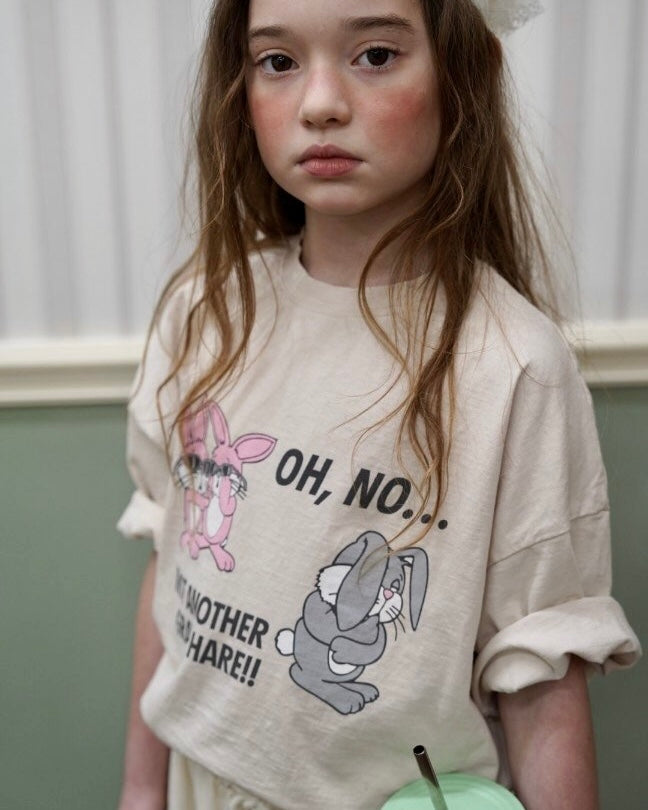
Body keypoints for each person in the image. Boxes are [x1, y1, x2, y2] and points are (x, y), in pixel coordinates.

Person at [116, 1, 641, 809]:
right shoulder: (206, 312)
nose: (321, 103)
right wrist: (139, 791)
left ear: (461, 75)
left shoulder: (513, 365)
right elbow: (170, 559)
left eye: (375, 54)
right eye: (278, 62)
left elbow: (542, 665)